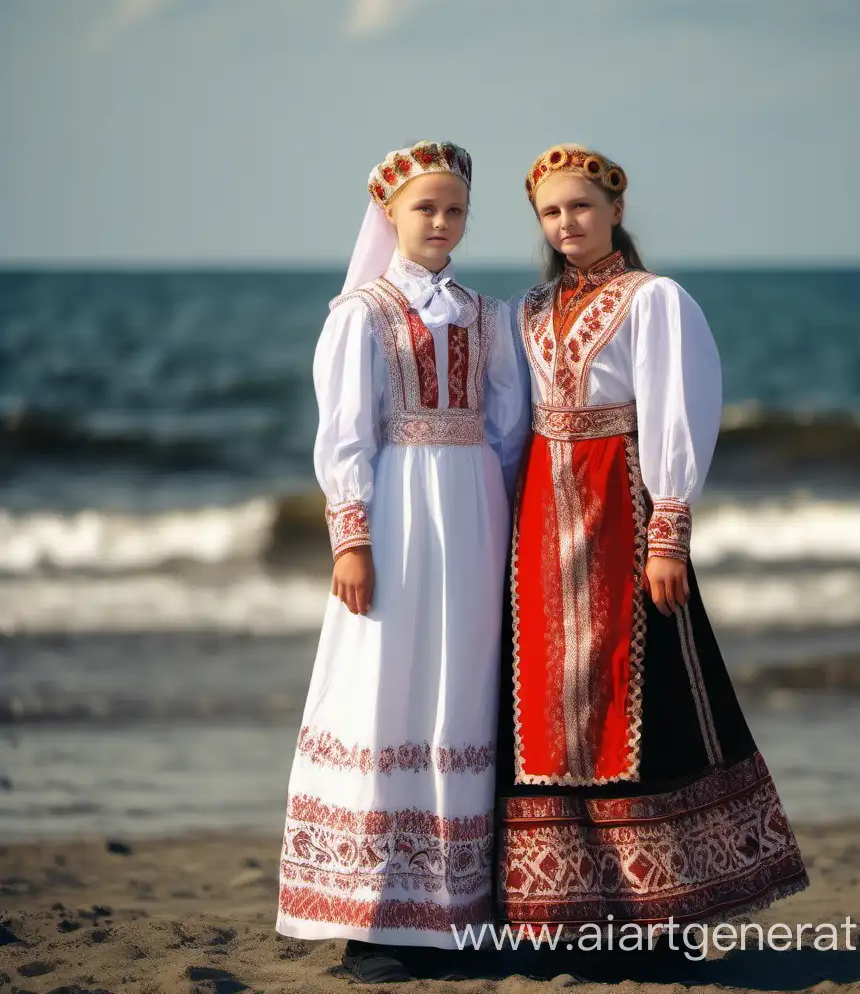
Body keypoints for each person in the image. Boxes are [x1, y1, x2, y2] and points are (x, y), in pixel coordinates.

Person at [494, 143, 809, 949]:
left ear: (615, 212)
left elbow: (679, 407)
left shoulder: (654, 300)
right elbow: (510, 425)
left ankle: (659, 917)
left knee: (630, 690)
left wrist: (668, 532)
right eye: (552, 212)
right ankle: (564, 914)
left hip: (619, 510)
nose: (567, 223)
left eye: (581, 207)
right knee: (545, 708)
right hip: (540, 520)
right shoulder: (528, 309)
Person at [276, 141, 527, 982]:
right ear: (390, 214)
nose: (442, 222)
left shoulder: (488, 315)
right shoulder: (362, 314)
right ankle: (377, 915)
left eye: (455, 208)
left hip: (474, 517)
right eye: (426, 207)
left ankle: (456, 911)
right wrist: (351, 535)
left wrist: (509, 523)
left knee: (463, 688)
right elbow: (344, 434)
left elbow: (508, 433)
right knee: (387, 686)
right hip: (397, 513)